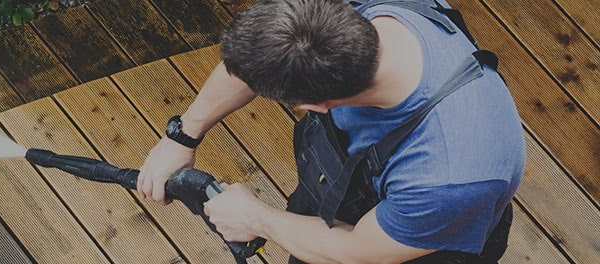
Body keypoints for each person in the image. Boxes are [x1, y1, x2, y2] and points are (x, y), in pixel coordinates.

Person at [133, 0, 523, 262]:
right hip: (338, 195)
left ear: (314, 107)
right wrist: (183, 135)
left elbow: (357, 251)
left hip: (414, 244)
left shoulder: (452, 174)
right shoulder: (331, 17)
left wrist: (258, 219)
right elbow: (258, 58)